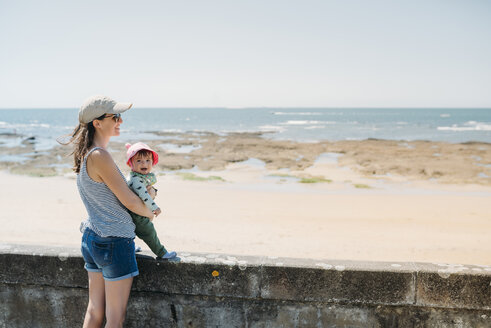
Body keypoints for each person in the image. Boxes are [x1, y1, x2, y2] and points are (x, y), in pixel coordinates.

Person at [64, 95, 157, 328]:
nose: (120, 121)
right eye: (115, 117)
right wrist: (151, 209)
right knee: (115, 319)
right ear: (97, 122)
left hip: (92, 238)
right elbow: (130, 202)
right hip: (114, 241)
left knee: (94, 311)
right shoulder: (99, 155)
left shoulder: (87, 155)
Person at [125, 142, 177, 260]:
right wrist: (155, 208)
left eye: (148, 160)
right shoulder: (136, 180)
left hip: (134, 211)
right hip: (137, 214)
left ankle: (130, 247)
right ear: (131, 164)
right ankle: (162, 253)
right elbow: (145, 196)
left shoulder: (137, 177)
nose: (144, 163)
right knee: (149, 232)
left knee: (129, 233)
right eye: (139, 161)